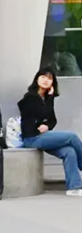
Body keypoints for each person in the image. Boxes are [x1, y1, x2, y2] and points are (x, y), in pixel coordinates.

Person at [18, 67, 82, 196]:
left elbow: (52, 120)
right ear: (37, 79)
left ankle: (74, 187)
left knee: (69, 152)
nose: (46, 80)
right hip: (32, 138)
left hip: (43, 137)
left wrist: (46, 125)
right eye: (43, 77)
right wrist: (51, 98)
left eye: (49, 78)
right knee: (72, 137)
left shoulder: (45, 99)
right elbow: (41, 113)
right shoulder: (30, 97)